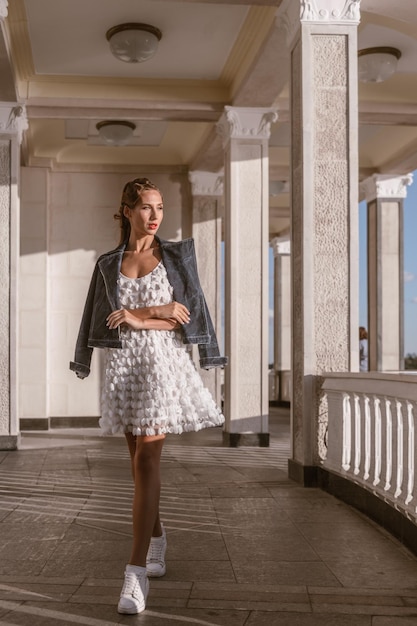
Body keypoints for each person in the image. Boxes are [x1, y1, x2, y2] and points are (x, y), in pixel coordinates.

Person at [70, 178, 226, 615]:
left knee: (147, 461)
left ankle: (135, 574)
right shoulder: (107, 264)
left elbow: (182, 317)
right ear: (126, 210)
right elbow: (101, 320)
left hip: (161, 365)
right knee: (136, 464)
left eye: (159, 208)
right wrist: (140, 319)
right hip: (123, 368)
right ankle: (156, 538)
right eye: (145, 208)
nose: (155, 216)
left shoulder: (174, 257)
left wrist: (144, 315)